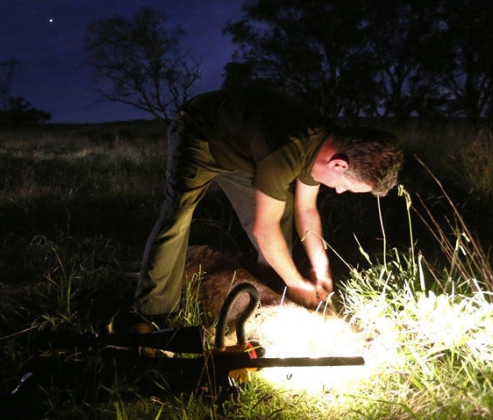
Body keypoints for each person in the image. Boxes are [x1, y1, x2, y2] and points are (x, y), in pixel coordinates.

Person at [113, 85, 403, 334]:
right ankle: (148, 312)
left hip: (243, 152)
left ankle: (268, 291)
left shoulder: (326, 146)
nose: (339, 191)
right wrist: (297, 281)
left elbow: (307, 210)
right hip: (200, 134)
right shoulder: (288, 148)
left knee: (286, 210)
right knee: (177, 216)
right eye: (347, 187)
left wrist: (320, 268)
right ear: (339, 164)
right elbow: (264, 229)